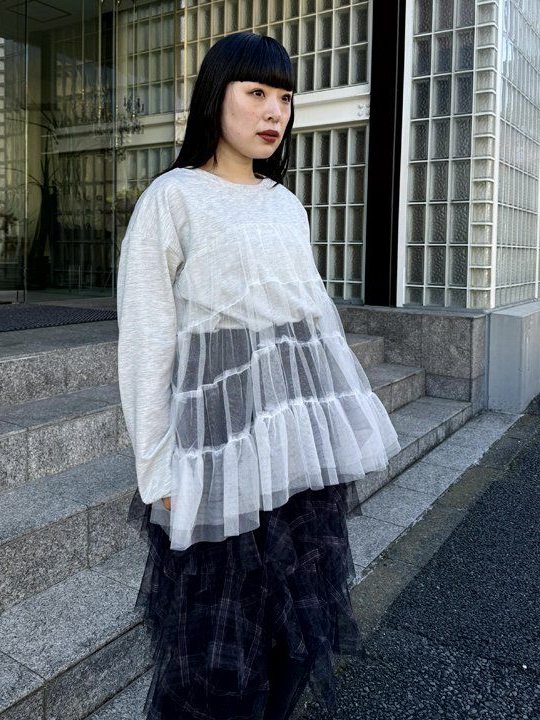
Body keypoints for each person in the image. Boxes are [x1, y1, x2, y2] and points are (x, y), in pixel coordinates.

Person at [117, 31, 401, 720]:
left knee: (293, 637)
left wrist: (332, 435)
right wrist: (157, 468)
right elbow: (148, 343)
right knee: (216, 655)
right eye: (256, 93)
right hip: (216, 453)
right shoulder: (172, 198)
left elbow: (312, 326)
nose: (275, 111)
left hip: (295, 458)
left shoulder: (285, 204)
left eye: (285, 97)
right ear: (216, 96)